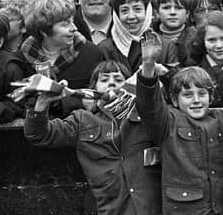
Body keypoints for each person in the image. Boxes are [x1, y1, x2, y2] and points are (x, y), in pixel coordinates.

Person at [25, 60, 162, 215]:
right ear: (93, 87)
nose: (111, 83)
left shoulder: (146, 114)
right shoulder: (82, 120)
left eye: (118, 80)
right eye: (104, 80)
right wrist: (42, 103)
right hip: (111, 208)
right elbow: (38, 135)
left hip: (152, 206)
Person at [136, 58, 223, 215]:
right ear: (174, 99)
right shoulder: (169, 120)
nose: (196, 100)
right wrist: (148, 66)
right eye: (188, 95)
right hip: (184, 209)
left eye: (202, 94)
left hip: (220, 207)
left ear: (211, 96)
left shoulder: (222, 118)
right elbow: (149, 106)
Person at [21, 0, 103, 94]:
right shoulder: (23, 56)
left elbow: (96, 94)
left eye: (72, 21)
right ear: (44, 31)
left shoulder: (91, 53)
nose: (74, 28)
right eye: (65, 24)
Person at [97, 0, 177, 72]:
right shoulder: (104, 49)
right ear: (116, 15)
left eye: (137, 9)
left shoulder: (166, 46)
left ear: (147, 12)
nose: (131, 16)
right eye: (124, 10)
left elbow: (174, 82)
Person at [152, 0, 196, 65]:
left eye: (178, 8)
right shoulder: (148, 37)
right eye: (166, 8)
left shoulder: (196, 40)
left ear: (187, 13)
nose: (172, 12)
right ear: (157, 12)